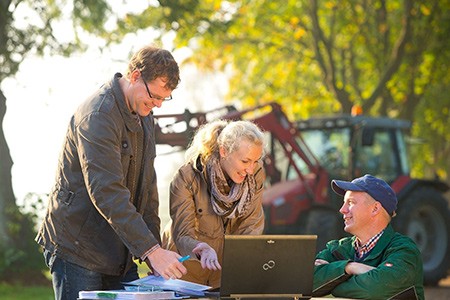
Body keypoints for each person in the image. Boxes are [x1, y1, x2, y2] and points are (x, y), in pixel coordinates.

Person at [35, 45, 187, 300]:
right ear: (136, 76)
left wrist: (155, 249)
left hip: (119, 252)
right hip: (78, 249)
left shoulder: (144, 113)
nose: (158, 105)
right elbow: (106, 191)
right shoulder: (97, 115)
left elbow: (147, 187)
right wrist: (149, 249)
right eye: (154, 96)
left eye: (164, 98)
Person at [162, 119, 266, 288]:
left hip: (223, 274)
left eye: (255, 161)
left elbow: (251, 225)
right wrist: (202, 248)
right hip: (185, 273)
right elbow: (182, 235)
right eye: (245, 161)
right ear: (224, 151)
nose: (250, 170)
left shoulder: (256, 174)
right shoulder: (187, 177)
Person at [313, 174, 424, 300]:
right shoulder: (337, 248)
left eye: (350, 202)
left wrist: (329, 284)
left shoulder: (405, 251)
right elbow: (305, 282)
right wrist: (349, 267)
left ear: (375, 208)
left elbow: (376, 289)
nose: (342, 210)